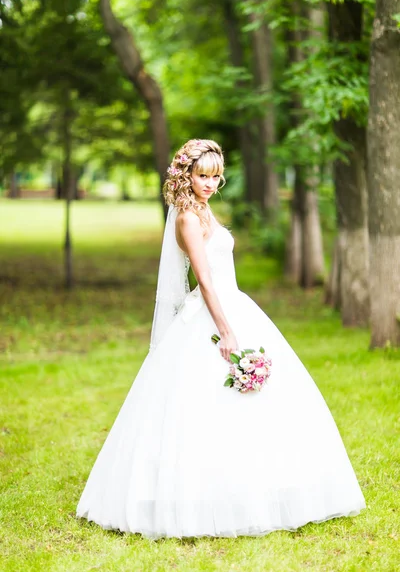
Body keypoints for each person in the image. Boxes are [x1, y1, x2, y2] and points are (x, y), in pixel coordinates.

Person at [76, 139, 365, 539]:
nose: (210, 184)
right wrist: (226, 331)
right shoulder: (187, 219)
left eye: (215, 176)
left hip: (236, 304)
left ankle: (260, 484)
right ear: (187, 176)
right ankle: (206, 494)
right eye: (202, 176)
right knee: (202, 402)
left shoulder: (203, 208)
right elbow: (205, 280)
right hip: (213, 313)